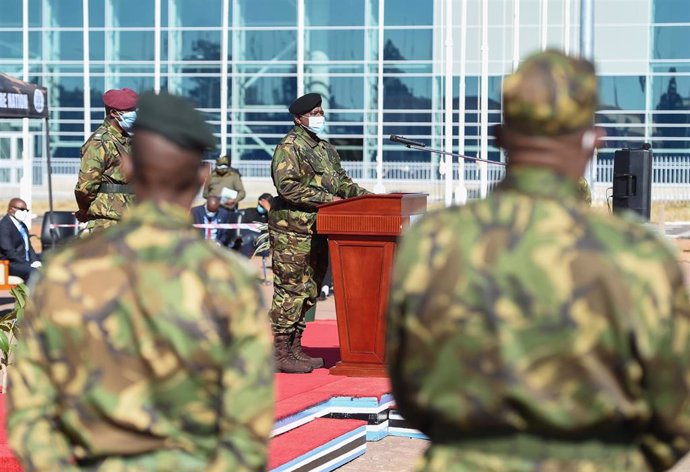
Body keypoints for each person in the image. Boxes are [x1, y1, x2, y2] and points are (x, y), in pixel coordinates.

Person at [387, 50, 690, 472]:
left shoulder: (434, 242)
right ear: (593, 140)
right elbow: (675, 414)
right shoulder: (639, 254)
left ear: (501, 137)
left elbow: (410, 390)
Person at [8, 92, 274, 471]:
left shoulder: (68, 273)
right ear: (202, 178)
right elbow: (249, 422)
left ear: (131, 170)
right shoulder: (229, 280)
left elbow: (30, 408)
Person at [269, 92, 370, 373]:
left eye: (321, 112)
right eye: (314, 113)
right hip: (293, 232)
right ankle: (279, 350)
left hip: (319, 228)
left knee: (310, 289)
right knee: (291, 289)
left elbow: (342, 183)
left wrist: (368, 199)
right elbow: (287, 186)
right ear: (299, 118)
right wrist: (329, 201)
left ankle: (295, 347)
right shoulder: (289, 146)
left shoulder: (324, 149)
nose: (319, 117)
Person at [74, 88, 138, 236]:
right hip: (107, 222)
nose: (134, 114)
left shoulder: (128, 141)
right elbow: (86, 186)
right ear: (114, 113)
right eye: (130, 111)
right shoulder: (99, 143)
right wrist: (84, 210)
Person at [0, 198, 41, 280]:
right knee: (33, 272)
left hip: (24, 260)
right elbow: (9, 252)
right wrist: (27, 263)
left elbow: (29, 247)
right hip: (11, 263)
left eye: (26, 210)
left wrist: (35, 261)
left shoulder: (22, 225)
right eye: (22, 209)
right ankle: (27, 292)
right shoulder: (3, 226)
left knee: (50, 261)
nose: (25, 212)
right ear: (11, 210)